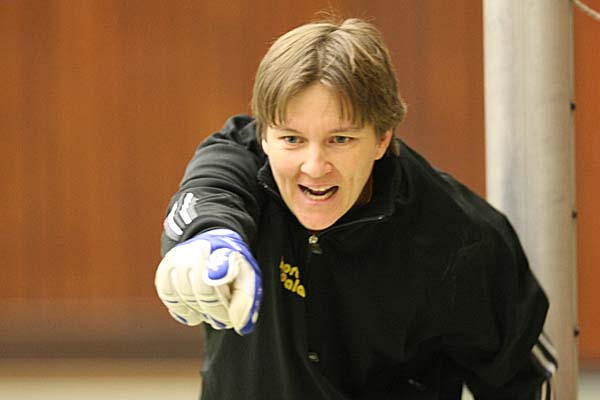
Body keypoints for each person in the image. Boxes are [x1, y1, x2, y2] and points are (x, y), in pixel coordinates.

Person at [154, 18, 557, 399]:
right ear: (264, 135)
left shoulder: (457, 237)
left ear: (382, 138)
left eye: (340, 139)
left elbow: (522, 378)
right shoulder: (237, 163)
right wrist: (208, 237)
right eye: (292, 139)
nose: (314, 167)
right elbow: (212, 192)